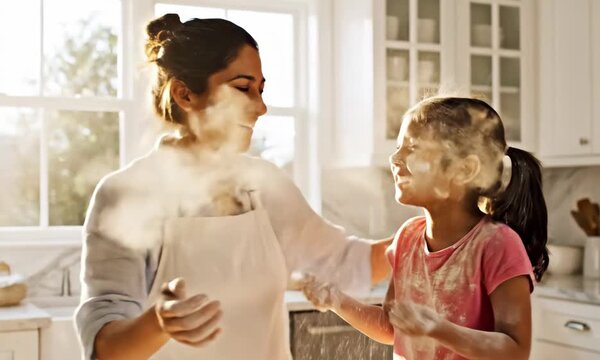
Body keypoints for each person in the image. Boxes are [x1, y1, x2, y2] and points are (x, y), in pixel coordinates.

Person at [74, 14, 390, 360]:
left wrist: (431, 231)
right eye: (242, 88)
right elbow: (106, 349)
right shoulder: (126, 194)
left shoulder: (264, 186)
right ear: (184, 94)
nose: (260, 106)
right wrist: (158, 324)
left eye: (260, 89)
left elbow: (347, 263)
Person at [302, 96, 549, 360]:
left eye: (413, 148)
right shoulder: (407, 238)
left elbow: (515, 351)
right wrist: (337, 300)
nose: (395, 159)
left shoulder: (497, 244)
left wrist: (438, 329)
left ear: (464, 169)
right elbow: (390, 327)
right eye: (398, 147)